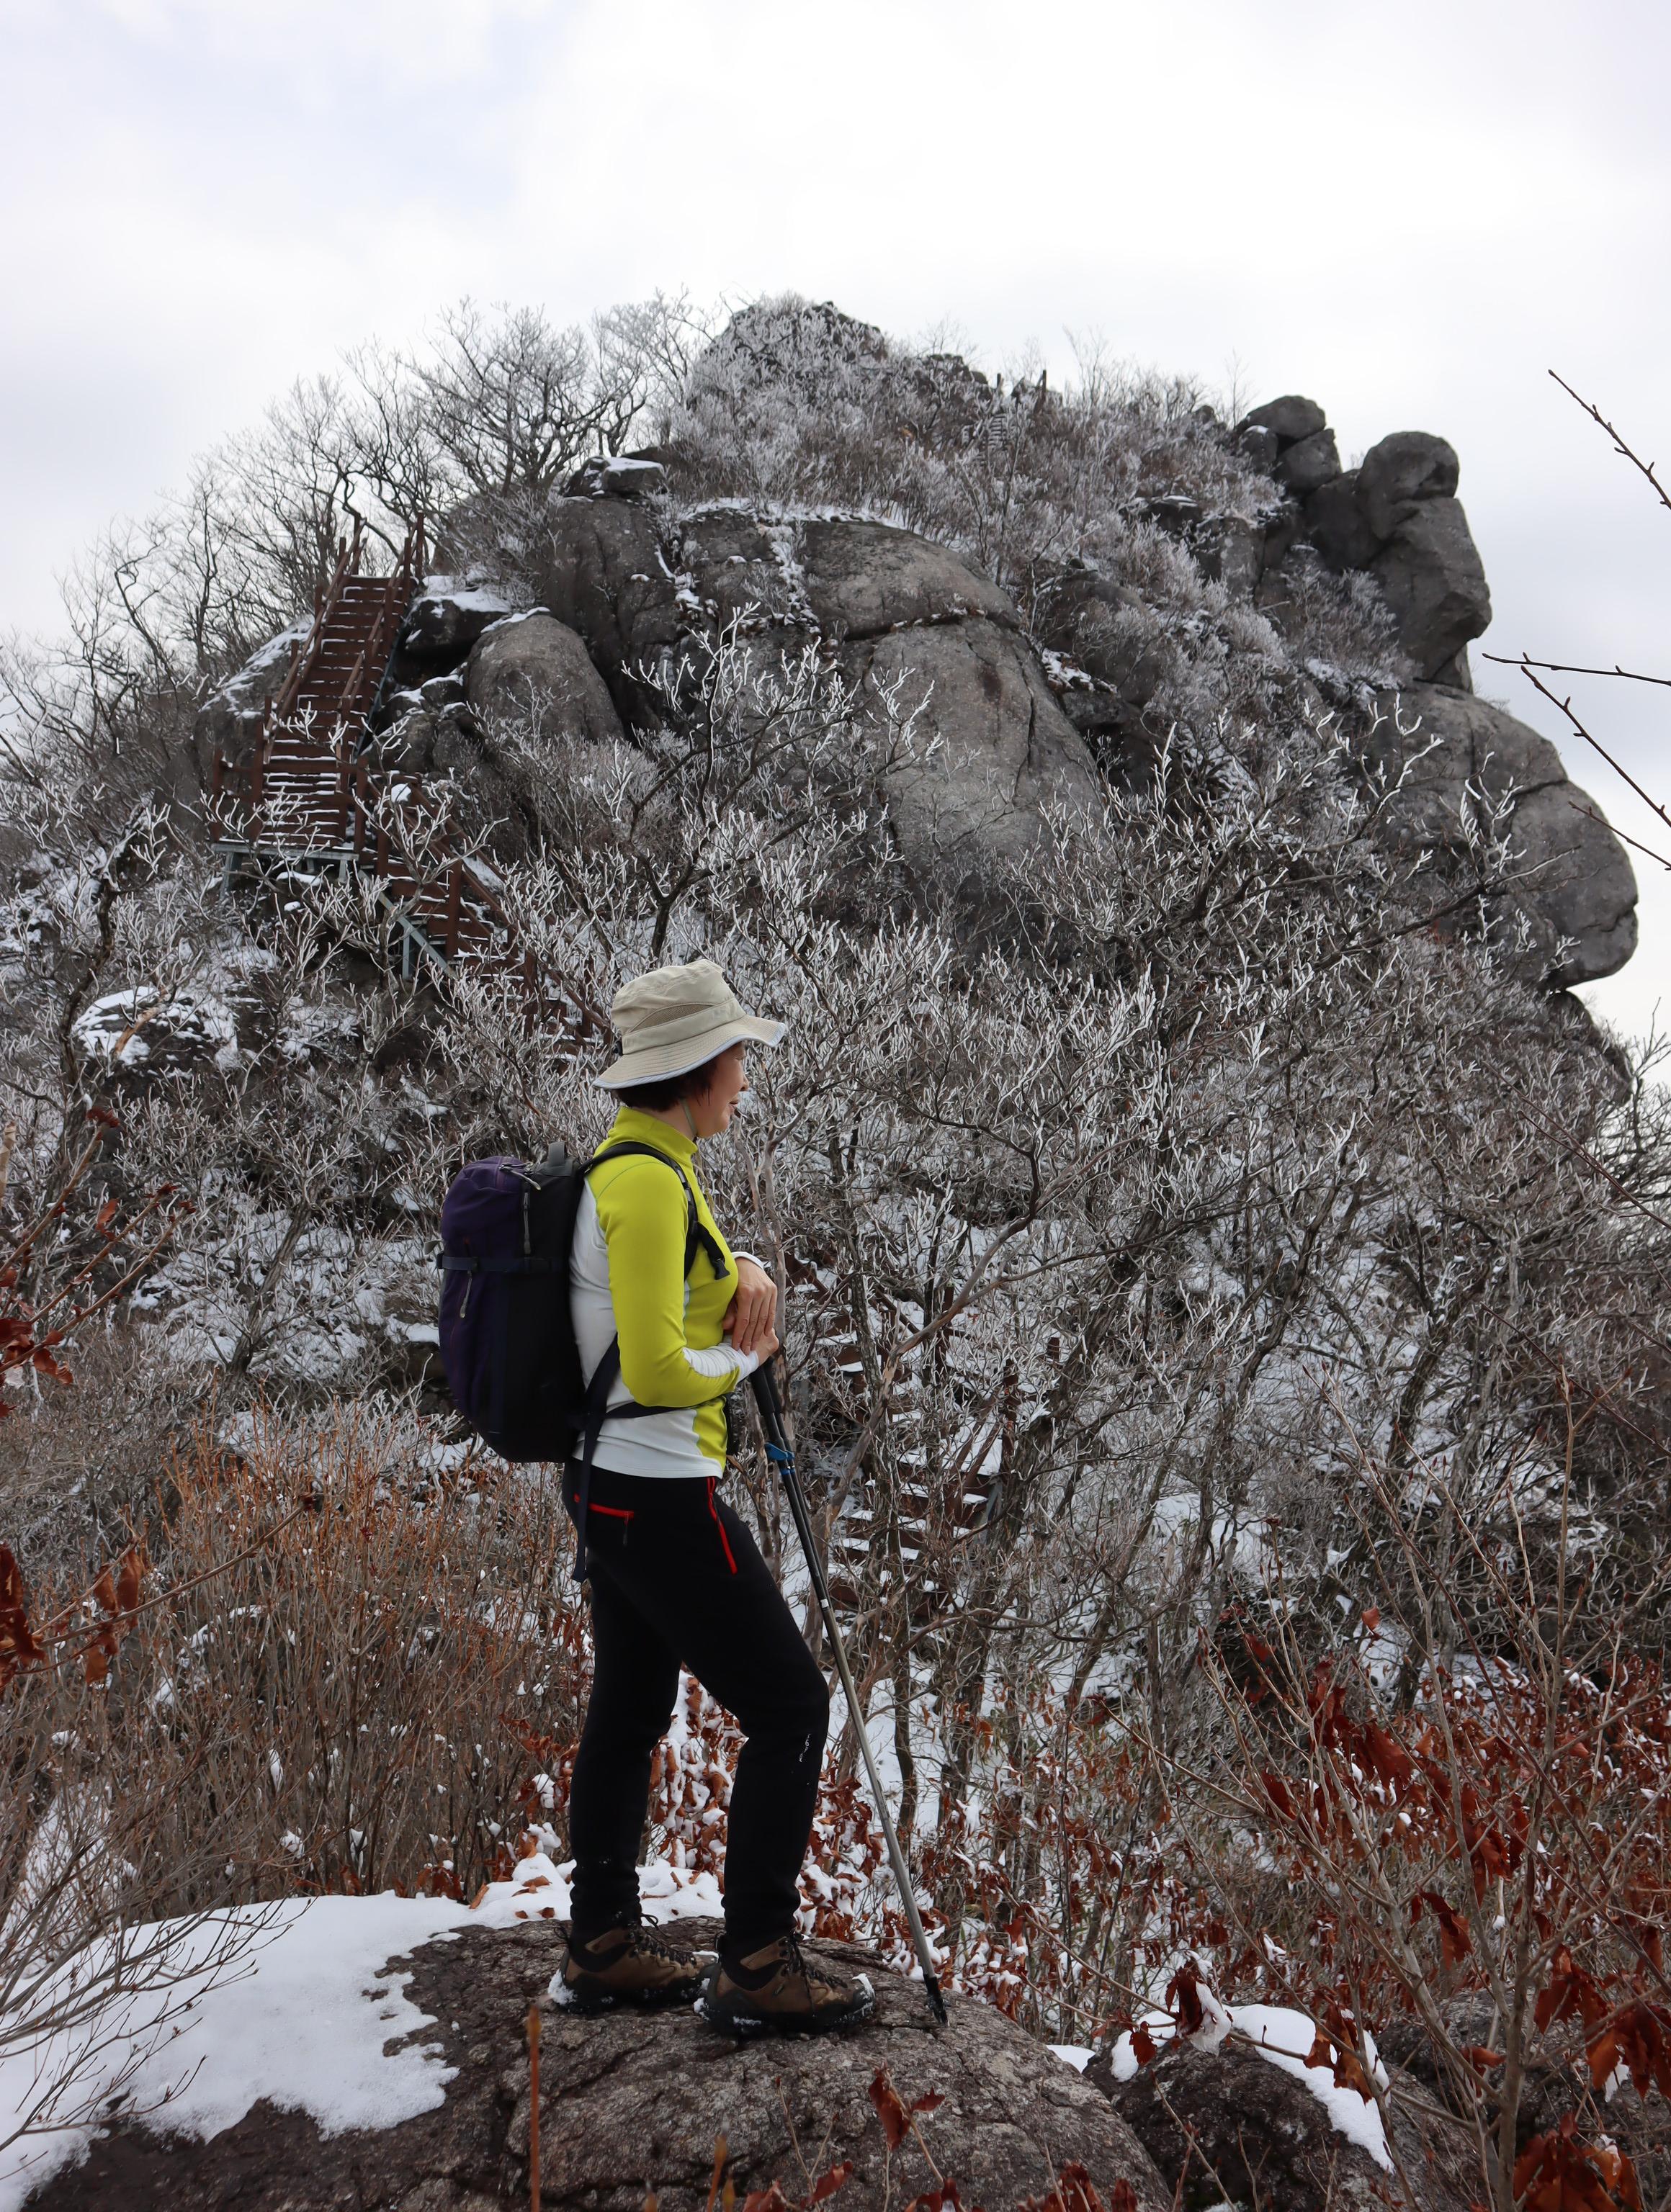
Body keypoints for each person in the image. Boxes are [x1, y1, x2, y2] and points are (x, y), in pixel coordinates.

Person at [559, 958, 875, 2034]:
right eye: (737, 1056)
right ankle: (757, 1962)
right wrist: (750, 1358)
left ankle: (603, 1940)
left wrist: (742, 1264)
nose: (746, 1075)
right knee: (792, 1707)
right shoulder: (650, 1184)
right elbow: (656, 1368)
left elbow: (667, 1284)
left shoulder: (646, 1165)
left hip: (613, 1488)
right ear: (695, 1069)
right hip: (658, 1492)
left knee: (630, 1707)